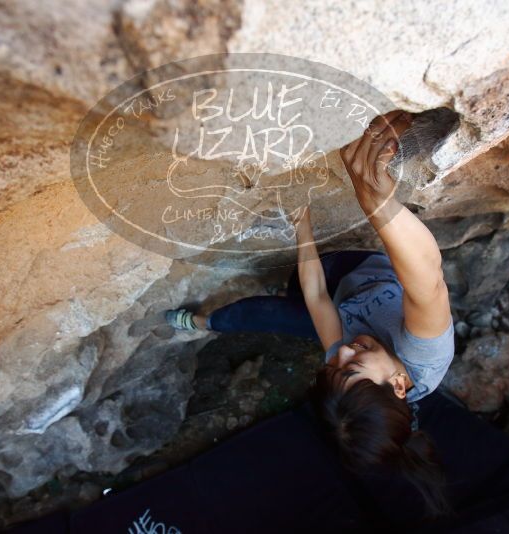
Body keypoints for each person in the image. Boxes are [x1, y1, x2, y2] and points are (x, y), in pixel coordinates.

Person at [166, 111, 454, 515]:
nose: (341, 353)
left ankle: (203, 322)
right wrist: (376, 200)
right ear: (400, 384)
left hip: (335, 295)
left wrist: (302, 222)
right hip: (360, 272)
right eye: (351, 366)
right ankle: (218, 318)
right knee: (296, 297)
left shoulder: (343, 361)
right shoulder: (425, 357)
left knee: (263, 313)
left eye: (332, 368)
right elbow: (428, 283)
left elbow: (317, 294)